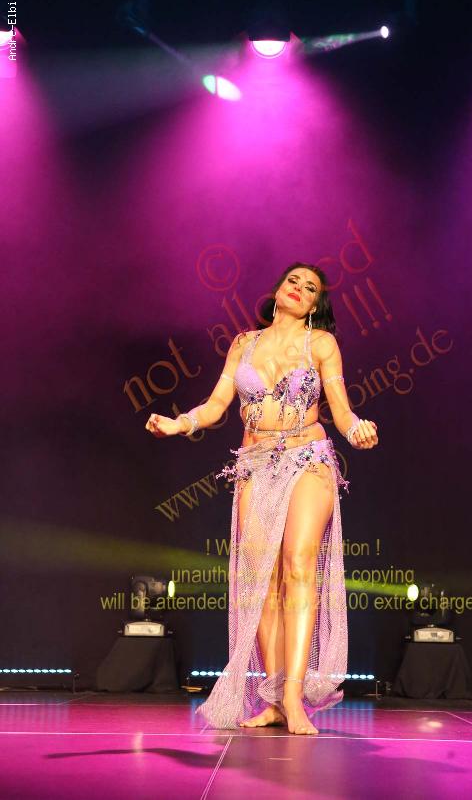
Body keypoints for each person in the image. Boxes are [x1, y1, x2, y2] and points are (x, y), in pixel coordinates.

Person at [146, 262, 378, 735]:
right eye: (294, 281)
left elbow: (341, 409)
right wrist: (180, 423)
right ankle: (273, 698)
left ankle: (294, 696)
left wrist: (357, 429)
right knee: (263, 583)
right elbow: (217, 405)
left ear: (315, 305)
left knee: (299, 564)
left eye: (310, 288)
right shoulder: (244, 344)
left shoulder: (321, 344)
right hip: (255, 464)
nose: (299, 289)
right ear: (277, 289)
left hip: (307, 458)